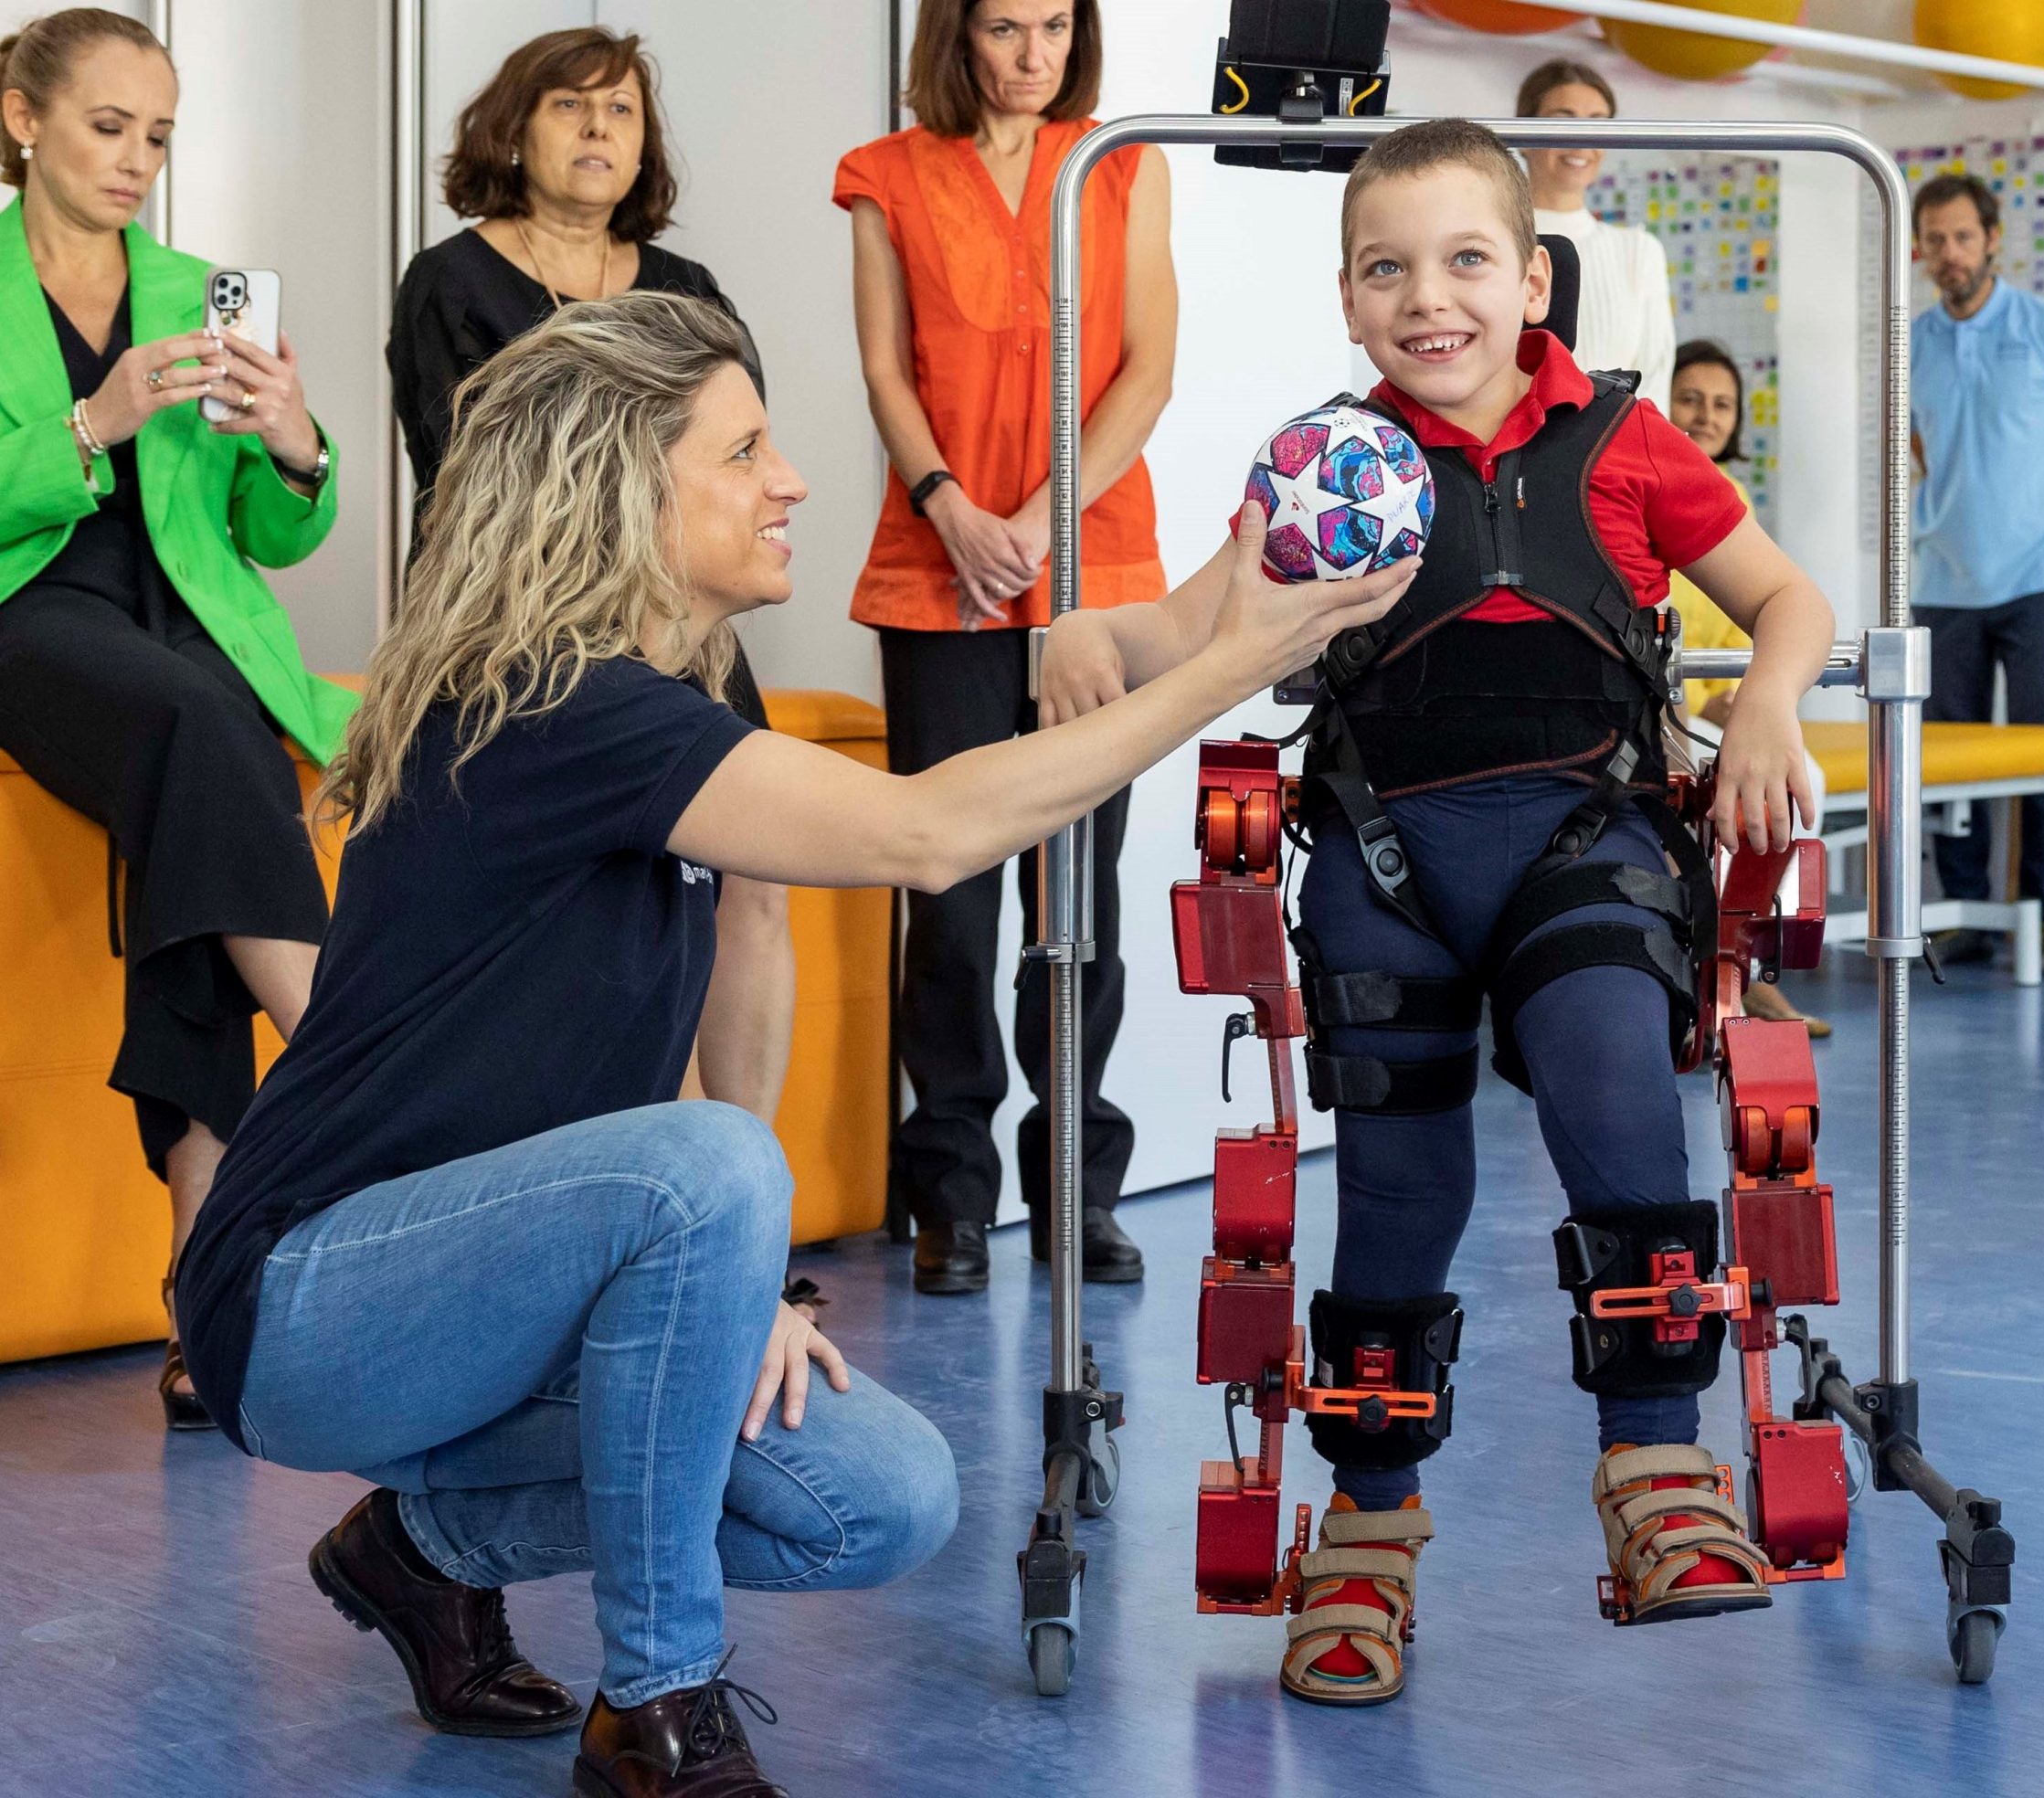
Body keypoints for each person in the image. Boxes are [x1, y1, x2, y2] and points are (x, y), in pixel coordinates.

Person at [172, 290, 1414, 1793]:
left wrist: (709, 1279)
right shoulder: (558, 707)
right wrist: (1225, 672)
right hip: (304, 1305)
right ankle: (658, 1710)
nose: (794, 481)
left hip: (489, 1278)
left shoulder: (644, 705)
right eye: (744, 450)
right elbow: (927, 832)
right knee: (715, 1162)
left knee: (880, 1496)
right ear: (627, 488)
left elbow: (589, 1075)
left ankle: (424, 1551)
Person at [1040, 120, 1836, 1707]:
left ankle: (1656, 1462)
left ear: (1533, 280)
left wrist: (1768, 702)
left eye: (1468, 260)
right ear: (1348, 298)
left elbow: (1787, 596)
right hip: (1387, 866)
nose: (1429, 297)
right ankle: (1369, 1524)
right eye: (1387, 269)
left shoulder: (1625, 443)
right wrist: (1090, 635)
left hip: (1587, 850)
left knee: (1618, 1085)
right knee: (1398, 1192)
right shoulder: (1328, 468)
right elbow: (1194, 626)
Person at [0, 9, 347, 1432]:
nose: (137, 159)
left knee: (202, 780)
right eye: (107, 127)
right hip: (31, 608)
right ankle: (346, 1050)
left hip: (191, 625)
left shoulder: (202, 292)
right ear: (21, 119)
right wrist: (90, 426)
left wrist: (295, 444)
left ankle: (199, 1296)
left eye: (157, 135)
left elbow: (270, 533)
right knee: (209, 732)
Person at [389, 24, 793, 1123]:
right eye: (569, 105)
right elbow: (474, 477)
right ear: (513, 131)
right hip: (529, 634)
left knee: (757, 875)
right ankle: (655, 1175)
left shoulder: (685, 288)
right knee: (625, 893)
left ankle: (746, 1175)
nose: (598, 128)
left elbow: (733, 453)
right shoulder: (448, 281)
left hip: (680, 621)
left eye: (620, 109)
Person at [837, 0, 1176, 1296]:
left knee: (1078, 895)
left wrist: (1044, 523)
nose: (1033, 56)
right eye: (1003, 28)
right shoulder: (885, 174)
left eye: (1053, 27)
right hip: (941, 572)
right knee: (951, 899)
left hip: (1093, 569)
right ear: (956, 35)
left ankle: (1078, 1187)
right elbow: (886, 372)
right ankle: (950, 1198)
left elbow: (1147, 370)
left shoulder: (1121, 161)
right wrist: (949, 508)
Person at [1909, 171, 2044, 978]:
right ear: (1920, 250)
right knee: (1947, 761)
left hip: (2041, 576)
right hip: (1942, 581)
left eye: (1963, 236)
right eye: (1935, 240)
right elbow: (1919, 445)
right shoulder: (1912, 341)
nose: (1950, 252)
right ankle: (1965, 915)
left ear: (1992, 239)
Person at [1668, 339, 1829, 1036]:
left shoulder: (1730, 500)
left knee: (1798, 777)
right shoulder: (1637, 481)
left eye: (1722, 405)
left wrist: (1750, 696)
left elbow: (1751, 628)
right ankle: (1709, 974)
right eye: (1690, 399)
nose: (1706, 416)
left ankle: (1749, 967)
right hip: (1663, 708)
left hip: (1715, 704)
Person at [1518, 57, 1674, 403]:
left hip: (1616, 436)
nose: (1582, 140)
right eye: (1564, 121)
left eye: (1598, 124)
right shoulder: (1493, 243)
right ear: (1524, 136)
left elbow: (1654, 379)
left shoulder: (1639, 251)